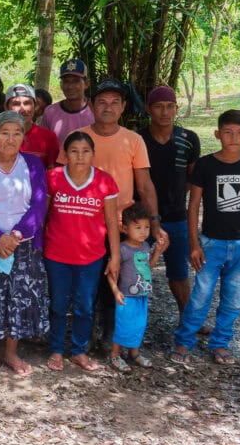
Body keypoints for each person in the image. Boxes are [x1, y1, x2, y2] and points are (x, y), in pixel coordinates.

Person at [56, 79, 167, 343]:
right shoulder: (78, 138)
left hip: (120, 224)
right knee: (88, 280)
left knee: (118, 276)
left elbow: (144, 185)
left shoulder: (134, 140)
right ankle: (86, 332)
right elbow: (60, 179)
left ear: (124, 107)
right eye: (102, 102)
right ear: (91, 105)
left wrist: (154, 222)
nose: (108, 107)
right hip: (82, 223)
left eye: (115, 102)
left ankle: (110, 334)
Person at [172, 109, 240, 366]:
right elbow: (193, 206)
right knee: (201, 296)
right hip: (211, 242)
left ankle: (221, 343)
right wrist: (194, 244)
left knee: (233, 300)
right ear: (217, 134)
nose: (233, 137)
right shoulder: (205, 165)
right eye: (227, 132)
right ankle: (184, 340)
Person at [0, 111, 49, 378]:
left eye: (16, 133)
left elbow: (38, 206)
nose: (10, 138)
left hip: (23, 244)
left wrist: (14, 236)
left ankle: (12, 352)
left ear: (23, 137)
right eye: (5, 132)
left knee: (19, 298)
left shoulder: (33, 164)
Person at [44, 131, 120, 373]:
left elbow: (110, 222)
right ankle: (56, 348)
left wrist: (115, 255)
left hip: (91, 256)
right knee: (57, 304)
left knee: (85, 306)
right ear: (65, 154)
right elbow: (43, 217)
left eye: (85, 151)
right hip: (56, 254)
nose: (80, 156)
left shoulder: (104, 181)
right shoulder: (53, 177)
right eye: (74, 151)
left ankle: (79, 351)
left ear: (93, 155)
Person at [140, 86, 201, 321]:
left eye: (170, 106)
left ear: (176, 109)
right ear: (148, 108)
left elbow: (192, 178)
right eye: (158, 106)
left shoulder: (188, 139)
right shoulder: (138, 138)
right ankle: (128, 324)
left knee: (178, 273)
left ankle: (189, 320)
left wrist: (176, 196)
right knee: (134, 270)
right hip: (142, 218)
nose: (164, 112)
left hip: (176, 217)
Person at [108, 203, 164, 371]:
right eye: (138, 227)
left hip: (142, 294)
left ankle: (134, 353)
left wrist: (157, 252)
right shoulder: (122, 250)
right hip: (126, 295)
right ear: (125, 228)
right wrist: (115, 291)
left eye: (146, 227)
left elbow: (148, 267)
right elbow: (112, 273)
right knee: (123, 325)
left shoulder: (146, 246)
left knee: (139, 324)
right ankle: (115, 355)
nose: (143, 231)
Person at [0, 84, 59, 168]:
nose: (22, 109)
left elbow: (52, 172)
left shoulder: (48, 137)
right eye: (16, 104)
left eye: (27, 103)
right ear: (6, 106)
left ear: (35, 106)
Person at [41, 59, 93, 145]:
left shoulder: (95, 110)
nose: (70, 86)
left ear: (87, 83)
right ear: (61, 85)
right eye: (66, 81)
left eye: (76, 81)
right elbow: (45, 145)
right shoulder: (50, 112)